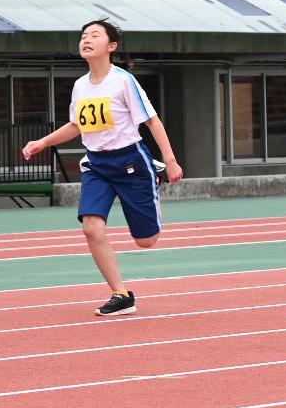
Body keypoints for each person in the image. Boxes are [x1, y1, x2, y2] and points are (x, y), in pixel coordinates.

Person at [20, 19, 183, 316]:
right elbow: (75, 125)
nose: (86, 39)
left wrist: (170, 161)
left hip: (131, 162)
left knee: (146, 241)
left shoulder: (123, 81)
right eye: (83, 35)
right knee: (91, 228)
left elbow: (152, 121)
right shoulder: (80, 86)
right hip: (96, 164)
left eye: (95, 35)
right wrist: (42, 142)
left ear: (111, 46)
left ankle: (154, 171)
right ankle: (121, 294)